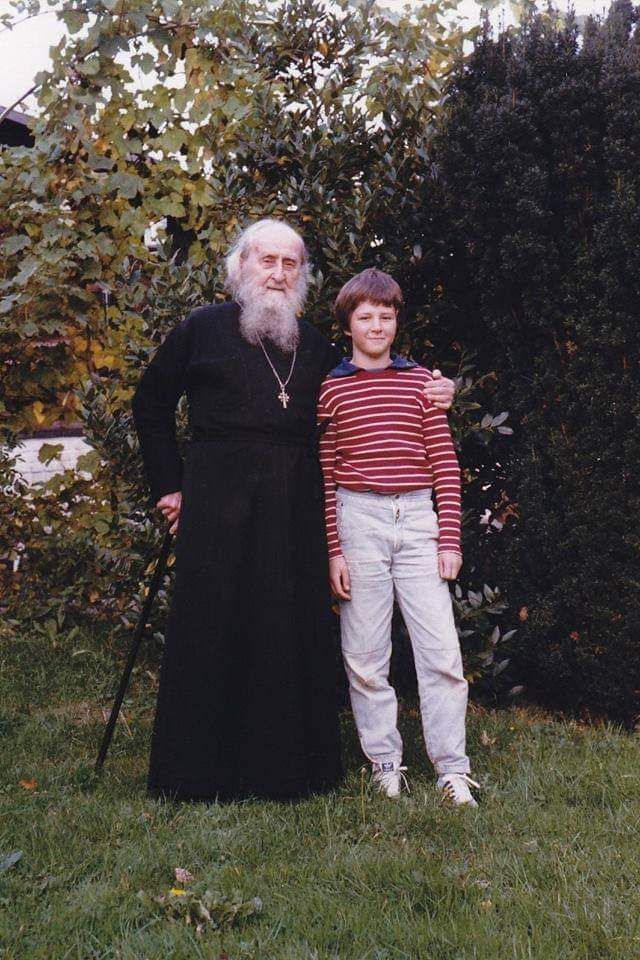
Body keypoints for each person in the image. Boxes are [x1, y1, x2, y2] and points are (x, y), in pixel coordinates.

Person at [131, 219, 456, 802]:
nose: (279, 273)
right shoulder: (202, 328)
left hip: (294, 505)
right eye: (268, 260)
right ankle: (198, 774)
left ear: (302, 275)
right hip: (216, 498)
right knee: (214, 626)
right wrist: (170, 487)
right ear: (242, 266)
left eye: (291, 263)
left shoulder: (315, 345)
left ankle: (284, 771)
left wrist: (436, 389)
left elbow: (371, 383)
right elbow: (150, 401)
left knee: (284, 628)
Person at [317, 268, 479, 806]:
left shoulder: (420, 384)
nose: (376, 326)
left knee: (441, 652)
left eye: (386, 316)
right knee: (365, 654)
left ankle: (452, 768)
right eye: (365, 317)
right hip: (357, 520)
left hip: (417, 520)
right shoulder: (331, 390)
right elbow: (326, 474)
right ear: (348, 326)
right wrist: (334, 550)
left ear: (396, 322)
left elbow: (444, 465)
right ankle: (385, 762)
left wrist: (449, 539)